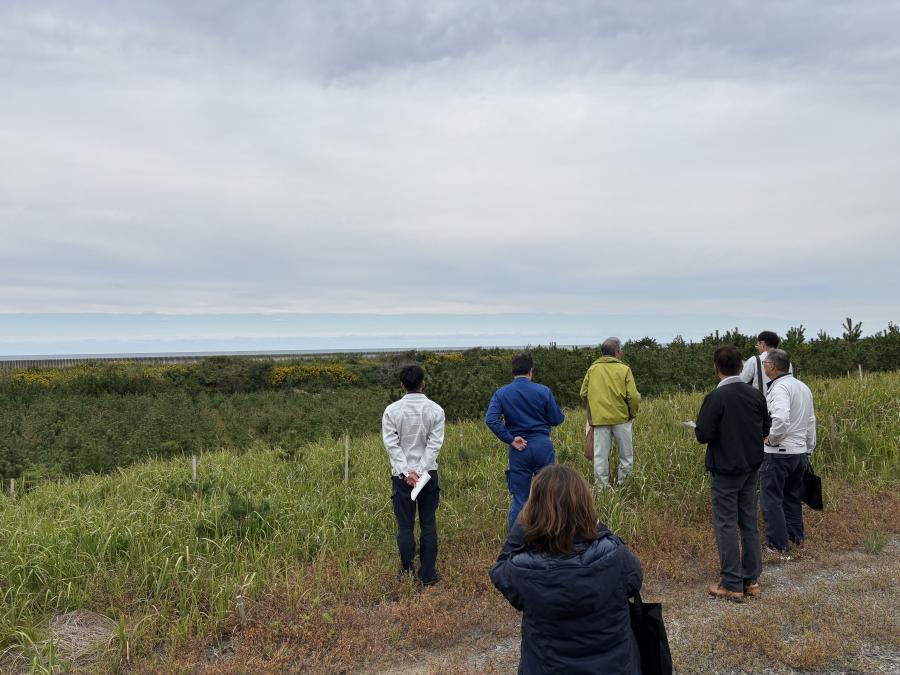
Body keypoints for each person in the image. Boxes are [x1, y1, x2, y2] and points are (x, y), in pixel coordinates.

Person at [490, 464, 643, 674]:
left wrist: (522, 523)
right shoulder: (615, 555)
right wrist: (593, 523)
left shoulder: (522, 569)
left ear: (533, 512)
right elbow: (634, 581)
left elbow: (499, 569)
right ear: (586, 506)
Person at [695, 345, 772, 601]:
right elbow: (765, 428)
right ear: (741, 366)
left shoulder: (716, 398)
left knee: (726, 523)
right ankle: (751, 579)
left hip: (726, 470)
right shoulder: (755, 395)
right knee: (748, 521)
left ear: (716, 368)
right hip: (751, 467)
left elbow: (703, 434)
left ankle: (731, 583)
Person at [485, 352, 565, 529]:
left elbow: (491, 419)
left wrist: (510, 439)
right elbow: (557, 419)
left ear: (513, 372)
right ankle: (551, 535)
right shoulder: (543, 391)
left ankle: (515, 544)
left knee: (520, 499)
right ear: (530, 371)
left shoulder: (501, 393)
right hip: (543, 446)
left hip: (519, 448)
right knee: (549, 496)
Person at [382, 364, 445, 585]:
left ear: (402, 384)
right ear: (423, 383)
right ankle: (428, 574)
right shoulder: (436, 410)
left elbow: (392, 445)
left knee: (405, 525)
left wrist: (407, 472)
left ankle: (407, 570)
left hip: (402, 477)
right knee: (428, 523)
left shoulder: (391, 411)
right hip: (428, 475)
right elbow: (434, 446)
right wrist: (419, 471)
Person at [760, 349, 816, 558]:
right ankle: (795, 538)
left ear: (773, 366)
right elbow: (811, 421)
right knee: (792, 496)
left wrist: (771, 439)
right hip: (799, 451)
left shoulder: (780, 388)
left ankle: (777, 545)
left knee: (771, 498)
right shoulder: (802, 387)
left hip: (779, 452)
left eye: (765, 363)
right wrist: (808, 447)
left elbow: (781, 419)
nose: (764, 366)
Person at [580, 337, 641, 489]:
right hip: (622, 418)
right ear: (617, 353)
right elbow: (633, 396)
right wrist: (632, 414)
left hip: (600, 420)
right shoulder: (624, 369)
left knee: (600, 456)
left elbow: (583, 393)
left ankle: (602, 489)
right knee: (626, 455)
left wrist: (593, 412)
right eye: (620, 351)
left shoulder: (592, 369)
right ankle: (624, 485)